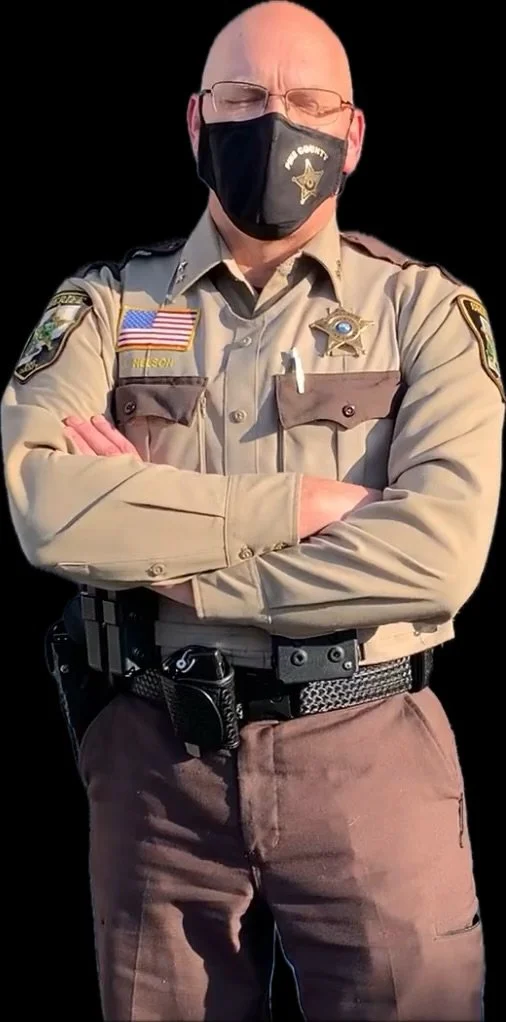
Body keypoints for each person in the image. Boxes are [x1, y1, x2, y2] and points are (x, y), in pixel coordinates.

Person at [1, 2, 503, 1019]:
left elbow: (438, 554)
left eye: (308, 101)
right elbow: (48, 508)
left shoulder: (424, 312)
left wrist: (170, 561)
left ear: (351, 135)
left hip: (367, 750)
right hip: (157, 769)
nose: (274, 123)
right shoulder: (109, 304)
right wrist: (300, 505)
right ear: (196, 122)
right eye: (241, 97)